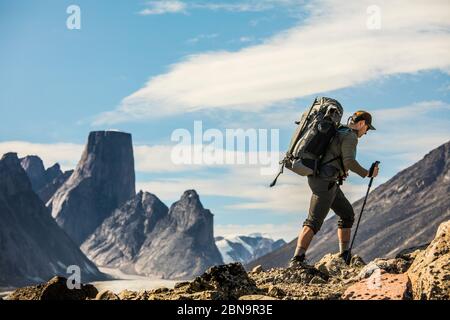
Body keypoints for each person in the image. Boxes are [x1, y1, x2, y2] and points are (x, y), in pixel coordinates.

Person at [289, 110, 379, 267]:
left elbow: (337, 157)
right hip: (325, 182)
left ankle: (344, 256)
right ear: (362, 124)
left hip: (326, 180)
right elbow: (349, 161)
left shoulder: (340, 130)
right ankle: (297, 259)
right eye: (367, 129)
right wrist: (367, 173)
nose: (366, 133)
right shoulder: (350, 136)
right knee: (313, 221)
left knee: (347, 214)